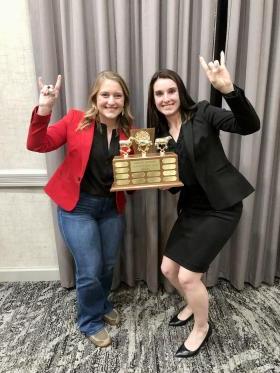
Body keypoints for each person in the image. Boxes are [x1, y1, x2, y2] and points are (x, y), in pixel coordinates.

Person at [147, 52, 260, 358]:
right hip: (193, 208)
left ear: (180, 92)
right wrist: (162, 183)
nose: (166, 97)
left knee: (187, 276)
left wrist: (229, 90)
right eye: (159, 93)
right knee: (168, 269)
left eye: (171, 90)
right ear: (153, 99)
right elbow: (175, 180)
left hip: (221, 207)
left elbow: (249, 125)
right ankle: (191, 302)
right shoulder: (157, 136)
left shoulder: (204, 112)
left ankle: (202, 327)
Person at [27, 71, 134, 348]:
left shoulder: (130, 134)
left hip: (111, 208)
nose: (111, 101)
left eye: (117, 95)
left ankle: (99, 304)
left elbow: (130, 180)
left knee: (108, 264)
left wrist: (148, 178)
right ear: (95, 98)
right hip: (78, 208)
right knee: (90, 268)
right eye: (105, 95)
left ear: (124, 100)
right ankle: (89, 321)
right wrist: (45, 108)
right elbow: (37, 144)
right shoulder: (75, 120)